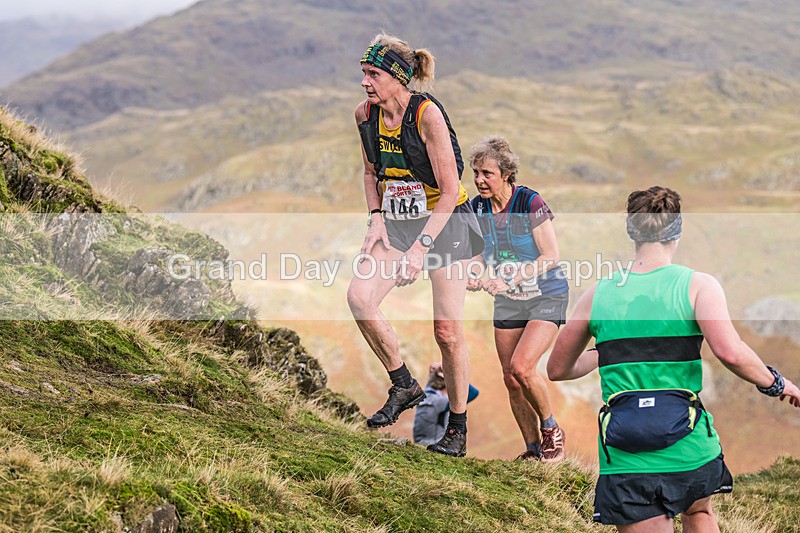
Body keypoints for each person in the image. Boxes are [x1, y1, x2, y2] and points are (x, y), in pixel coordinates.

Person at [547, 186, 800, 532]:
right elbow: (730, 351)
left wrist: (607, 350)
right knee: (698, 513)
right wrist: (777, 383)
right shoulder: (697, 285)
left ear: (631, 232)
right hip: (688, 445)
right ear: (676, 232)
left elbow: (558, 369)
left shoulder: (598, 294)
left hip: (626, 454)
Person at [347, 33, 483, 457]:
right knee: (359, 298)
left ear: (399, 77)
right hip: (398, 222)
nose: (366, 82)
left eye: (374, 74)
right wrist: (375, 220)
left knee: (447, 331)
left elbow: (448, 190)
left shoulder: (427, 116)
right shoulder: (364, 115)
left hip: (447, 223)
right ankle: (403, 384)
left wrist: (420, 249)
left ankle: (457, 431)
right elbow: (371, 173)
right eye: (364, 74)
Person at [466, 136, 570, 462]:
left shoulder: (530, 203)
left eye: (487, 174)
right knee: (510, 379)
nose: (480, 180)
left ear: (506, 174)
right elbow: (480, 253)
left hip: (546, 294)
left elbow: (550, 256)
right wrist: (475, 273)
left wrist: (508, 277)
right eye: (476, 173)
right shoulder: (477, 207)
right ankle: (533, 449)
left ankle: (551, 429)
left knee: (522, 368)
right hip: (510, 299)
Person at [413, 362, 480, 445]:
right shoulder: (438, 402)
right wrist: (455, 376)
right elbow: (473, 393)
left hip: (421, 442)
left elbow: (431, 383)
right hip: (434, 443)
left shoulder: (426, 396)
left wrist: (434, 372)